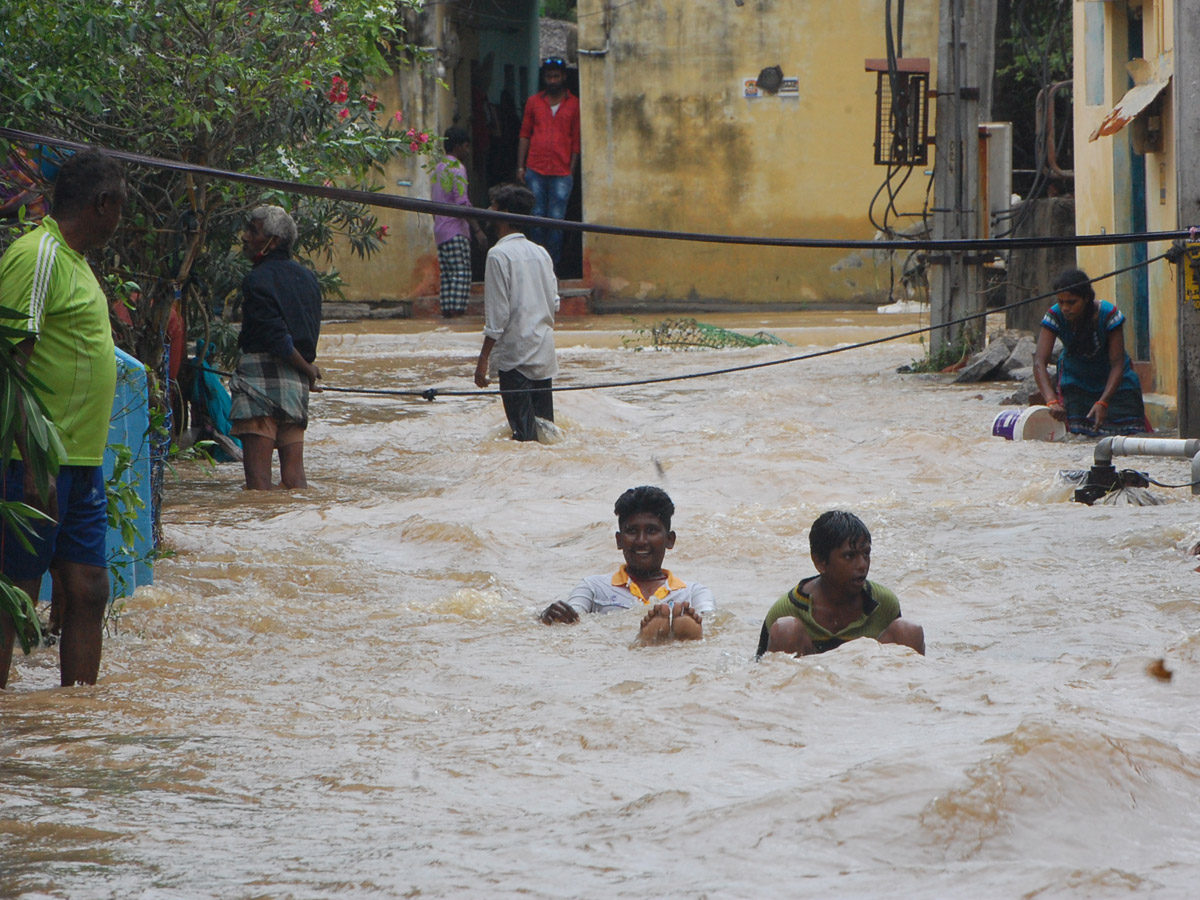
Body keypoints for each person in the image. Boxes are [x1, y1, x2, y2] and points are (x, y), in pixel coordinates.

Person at [0, 148, 127, 688]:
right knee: (16, 590)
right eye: (121, 207)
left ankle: (76, 724)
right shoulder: (38, 255)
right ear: (103, 204)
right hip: (33, 461)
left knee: (89, 589)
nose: (121, 220)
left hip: (80, 462)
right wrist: (33, 465)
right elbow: (10, 360)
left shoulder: (76, 263)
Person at [541, 486, 715, 644]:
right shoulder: (593, 588)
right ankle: (650, 641)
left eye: (651, 531)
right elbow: (571, 620)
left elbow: (713, 623)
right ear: (619, 540)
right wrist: (551, 616)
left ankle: (671, 637)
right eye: (632, 531)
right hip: (617, 650)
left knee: (702, 629)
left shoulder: (693, 593)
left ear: (670, 540)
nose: (641, 541)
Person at [229, 205, 323, 490]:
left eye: (253, 231)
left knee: (258, 487)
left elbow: (275, 337)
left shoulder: (256, 280)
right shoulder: (309, 280)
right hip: (295, 385)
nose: (245, 237)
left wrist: (307, 369)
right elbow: (305, 335)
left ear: (273, 242)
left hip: (260, 381)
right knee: (296, 481)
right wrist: (306, 370)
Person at [757, 510, 924, 658]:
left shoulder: (883, 605)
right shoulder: (787, 609)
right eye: (849, 556)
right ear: (820, 562)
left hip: (866, 681)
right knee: (786, 630)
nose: (862, 565)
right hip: (810, 685)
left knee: (908, 631)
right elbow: (760, 675)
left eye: (866, 554)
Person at [473, 184, 558, 442]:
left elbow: (498, 316)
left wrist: (483, 360)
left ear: (505, 214)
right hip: (543, 354)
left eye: (494, 207)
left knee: (523, 437)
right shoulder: (541, 253)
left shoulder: (498, 255)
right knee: (546, 434)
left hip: (516, 359)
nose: (489, 211)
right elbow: (554, 303)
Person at [1033, 268, 1149, 437]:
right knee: (1077, 442)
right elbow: (1039, 362)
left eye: (1071, 302)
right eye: (1061, 302)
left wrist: (1103, 402)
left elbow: (1117, 364)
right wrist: (1051, 400)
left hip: (1118, 387)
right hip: (1076, 386)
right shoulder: (1054, 316)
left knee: (1129, 441)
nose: (1065, 308)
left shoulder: (1109, 315)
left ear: (1086, 298)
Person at [516, 57, 580, 271]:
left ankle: (552, 266)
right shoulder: (534, 102)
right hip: (535, 167)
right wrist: (520, 166)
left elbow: (577, 140)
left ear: (563, 78)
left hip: (562, 171)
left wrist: (571, 170)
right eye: (549, 76)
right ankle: (536, 265)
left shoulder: (574, 104)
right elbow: (524, 134)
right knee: (536, 216)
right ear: (544, 78)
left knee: (556, 220)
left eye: (556, 76)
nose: (552, 80)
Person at [431, 126, 487, 318]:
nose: (468, 151)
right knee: (461, 274)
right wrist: (477, 230)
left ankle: (447, 315)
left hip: (440, 231)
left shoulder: (437, 169)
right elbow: (462, 203)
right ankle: (457, 315)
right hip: (455, 230)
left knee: (447, 276)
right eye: (466, 146)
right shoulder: (458, 168)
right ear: (458, 146)